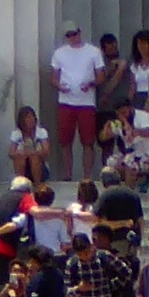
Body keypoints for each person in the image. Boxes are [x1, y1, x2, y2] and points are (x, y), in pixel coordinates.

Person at [48, 22, 103, 179]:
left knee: (88, 142)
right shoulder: (59, 53)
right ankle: (67, 176)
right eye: (69, 35)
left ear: (80, 32)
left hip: (87, 102)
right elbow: (53, 77)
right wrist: (60, 86)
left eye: (74, 34)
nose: (72, 37)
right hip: (66, 102)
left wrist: (91, 84)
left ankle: (87, 176)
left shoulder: (93, 52)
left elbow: (101, 76)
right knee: (65, 142)